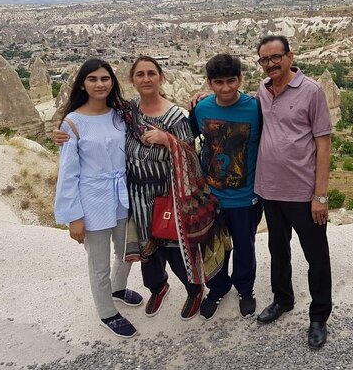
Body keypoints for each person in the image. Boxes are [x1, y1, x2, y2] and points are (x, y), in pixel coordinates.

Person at [54, 55, 227, 321]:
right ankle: (158, 288)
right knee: (147, 251)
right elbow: (91, 125)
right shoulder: (127, 111)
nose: (146, 79)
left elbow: (191, 155)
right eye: (140, 74)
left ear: (161, 77)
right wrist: (61, 133)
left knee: (176, 248)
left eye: (151, 73)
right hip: (134, 195)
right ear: (131, 80)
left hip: (168, 195)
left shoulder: (175, 116)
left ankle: (194, 290)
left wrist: (167, 138)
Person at [253, 35, 333, 350]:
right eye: (265, 59)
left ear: (290, 56)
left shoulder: (311, 91)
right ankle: (282, 299)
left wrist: (320, 195)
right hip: (269, 190)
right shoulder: (262, 89)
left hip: (303, 193)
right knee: (278, 250)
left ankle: (318, 317)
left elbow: (323, 143)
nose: (271, 63)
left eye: (276, 57)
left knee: (317, 257)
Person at [54, 58, 142, 339]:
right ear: (83, 84)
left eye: (105, 79)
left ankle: (118, 288)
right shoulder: (72, 123)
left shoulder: (120, 115)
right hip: (92, 200)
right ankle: (107, 312)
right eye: (93, 79)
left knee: (128, 251)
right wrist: (73, 217)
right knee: (98, 262)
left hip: (123, 195)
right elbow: (68, 173)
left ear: (112, 82)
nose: (100, 84)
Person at [189, 53, 263, 320]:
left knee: (245, 247)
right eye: (218, 82)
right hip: (213, 198)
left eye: (231, 81)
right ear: (209, 83)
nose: (226, 88)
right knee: (214, 248)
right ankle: (217, 289)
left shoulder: (256, 108)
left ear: (240, 79)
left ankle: (245, 289)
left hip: (247, 198)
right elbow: (188, 141)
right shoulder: (201, 109)